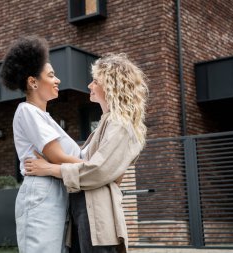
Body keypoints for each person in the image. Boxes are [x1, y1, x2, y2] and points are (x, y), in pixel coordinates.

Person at [24, 53, 148, 253]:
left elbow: (98, 170)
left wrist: (49, 168)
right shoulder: (106, 123)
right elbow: (99, 169)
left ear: (110, 85)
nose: (90, 85)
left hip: (97, 215)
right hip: (85, 210)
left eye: (95, 81)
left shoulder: (120, 125)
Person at [0, 35, 83, 253]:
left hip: (56, 190)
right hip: (42, 191)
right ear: (33, 82)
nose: (58, 80)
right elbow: (59, 158)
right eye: (52, 75)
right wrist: (97, 168)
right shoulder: (27, 111)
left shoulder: (46, 118)